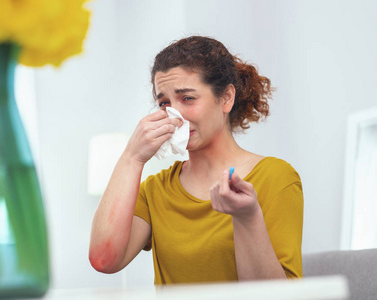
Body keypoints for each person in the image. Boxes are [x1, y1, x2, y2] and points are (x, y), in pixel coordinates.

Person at [89, 36, 303, 284]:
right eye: (164, 103)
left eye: (187, 98)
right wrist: (132, 157)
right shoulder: (156, 190)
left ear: (226, 98)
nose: (174, 115)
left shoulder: (275, 178)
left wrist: (247, 217)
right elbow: (103, 260)